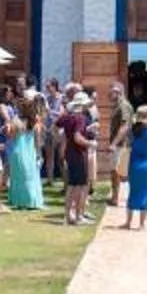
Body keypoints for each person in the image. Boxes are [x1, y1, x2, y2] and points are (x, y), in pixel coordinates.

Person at [121, 103, 147, 229]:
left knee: (133, 192)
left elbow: (127, 144)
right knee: (146, 193)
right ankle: (141, 224)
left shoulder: (133, 132)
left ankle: (128, 222)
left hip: (134, 165)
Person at [60, 91, 97, 225]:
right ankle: (79, 216)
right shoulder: (80, 118)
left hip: (70, 153)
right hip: (79, 154)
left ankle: (68, 216)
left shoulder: (68, 117)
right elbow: (77, 137)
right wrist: (90, 143)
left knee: (71, 185)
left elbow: (56, 128)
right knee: (82, 186)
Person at [7, 92, 46, 212]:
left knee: (18, 177)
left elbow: (11, 136)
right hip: (30, 152)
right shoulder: (36, 122)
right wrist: (39, 155)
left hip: (17, 151)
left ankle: (19, 202)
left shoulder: (15, 120)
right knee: (31, 177)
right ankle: (31, 201)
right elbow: (38, 141)